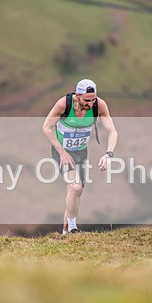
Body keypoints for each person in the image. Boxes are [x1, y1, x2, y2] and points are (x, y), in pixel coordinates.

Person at [42, 79, 118, 234]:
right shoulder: (64, 105)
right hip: (62, 152)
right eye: (87, 100)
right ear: (77, 95)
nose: (90, 104)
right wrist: (62, 152)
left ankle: (65, 233)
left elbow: (112, 131)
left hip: (81, 153)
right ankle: (72, 228)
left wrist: (108, 153)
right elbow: (47, 127)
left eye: (93, 99)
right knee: (75, 187)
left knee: (75, 192)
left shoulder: (99, 105)